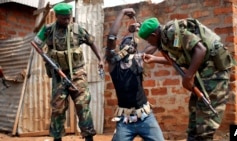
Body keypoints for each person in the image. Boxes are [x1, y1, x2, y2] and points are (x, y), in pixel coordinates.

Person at [138, 17, 236, 141]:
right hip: (205, 73)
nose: (149, 43)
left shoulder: (172, 33)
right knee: (195, 117)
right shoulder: (165, 40)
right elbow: (181, 61)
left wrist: (188, 77)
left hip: (215, 72)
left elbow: (201, 50)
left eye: (148, 40)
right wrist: (155, 59)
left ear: (153, 34)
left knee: (205, 123)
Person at [32, 3, 103, 141]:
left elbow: (91, 42)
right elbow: (36, 43)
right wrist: (43, 53)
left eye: (69, 17)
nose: (67, 21)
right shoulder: (48, 30)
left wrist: (100, 59)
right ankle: (57, 138)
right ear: (56, 16)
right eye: (64, 18)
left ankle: (88, 137)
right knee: (57, 108)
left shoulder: (77, 29)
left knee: (82, 103)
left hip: (77, 72)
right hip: (58, 75)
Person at [105, 8, 165, 141]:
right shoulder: (113, 64)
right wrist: (122, 12)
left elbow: (156, 39)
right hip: (125, 121)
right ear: (120, 47)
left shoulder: (139, 59)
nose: (129, 42)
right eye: (125, 40)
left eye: (131, 42)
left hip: (145, 117)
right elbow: (111, 38)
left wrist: (142, 27)